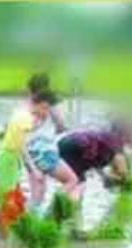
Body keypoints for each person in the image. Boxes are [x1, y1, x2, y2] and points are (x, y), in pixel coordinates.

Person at [0, 88, 62, 236]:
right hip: (8, 160)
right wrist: (34, 169)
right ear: (42, 104)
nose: (47, 113)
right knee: (8, 202)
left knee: (14, 201)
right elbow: (21, 146)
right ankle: (2, 238)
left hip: (9, 159)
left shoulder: (22, 112)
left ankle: (6, 236)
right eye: (46, 109)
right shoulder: (26, 119)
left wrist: (39, 122)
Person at [22, 77, 80, 206]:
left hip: (30, 152)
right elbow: (61, 124)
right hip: (45, 151)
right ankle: (52, 209)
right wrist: (63, 129)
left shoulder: (26, 105)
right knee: (71, 180)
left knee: (38, 192)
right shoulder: (48, 104)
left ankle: (32, 215)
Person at [57, 120, 132, 198]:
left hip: (66, 142)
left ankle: (63, 201)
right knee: (78, 185)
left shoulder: (107, 138)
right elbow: (123, 175)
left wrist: (104, 176)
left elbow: (96, 162)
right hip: (75, 148)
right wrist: (121, 180)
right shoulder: (117, 148)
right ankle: (62, 202)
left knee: (76, 182)